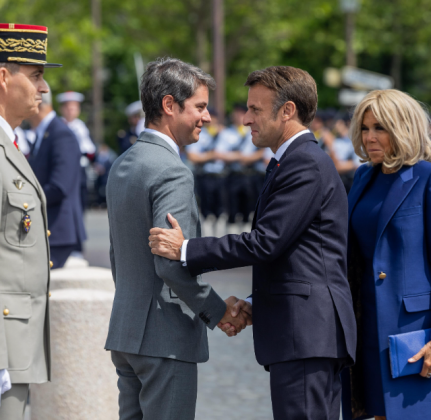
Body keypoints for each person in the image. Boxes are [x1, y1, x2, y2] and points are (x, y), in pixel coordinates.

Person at [149, 66, 357, 420]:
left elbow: (265, 243)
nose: (246, 119)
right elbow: (297, 257)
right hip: (302, 333)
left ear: (287, 110)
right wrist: (251, 303)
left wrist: (186, 249)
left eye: (256, 109)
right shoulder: (292, 161)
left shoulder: (304, 163)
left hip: (306, 336)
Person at [105, 58, 251, 420]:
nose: (207, 117)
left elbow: (117, 254)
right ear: (169, 105)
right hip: (165, 339)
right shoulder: (172, 172)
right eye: (199, 107)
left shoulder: (123, 163)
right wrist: (218, 312)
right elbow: (169, 265)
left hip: (127, 333)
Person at [342, 89, 431, 420]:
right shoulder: (364, 175)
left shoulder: (426, 176)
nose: (370, 138)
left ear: (403, 128)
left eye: (380, 128)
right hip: (365, 324)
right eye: (365, 129)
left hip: (413, 329)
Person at [0, 23, 60, 420]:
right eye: (35, 76)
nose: (43, 88)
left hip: (18, 340)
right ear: (4, 77)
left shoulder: (11, 146)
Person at [27, 88, 86, 269]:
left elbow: (59, 186)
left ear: (38, 102)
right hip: (48, 229)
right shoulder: (46, 132)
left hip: (57, 232)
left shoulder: (61, 134)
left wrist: (24, 200)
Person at [57, 91, 96, 213]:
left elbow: (90, 151)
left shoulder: (81, 127)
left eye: (74, 108)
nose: (71, 111)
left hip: (79, 169)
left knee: (80, 203)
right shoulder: (58, 125)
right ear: (62, 109)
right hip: (62, 168)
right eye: (68, 108)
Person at [186, 108, 226, 224]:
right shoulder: (200, 134)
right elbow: (192, 157)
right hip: (205, 176)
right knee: (206, 212)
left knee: (222, 213)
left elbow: (239, 155)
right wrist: (211, 155)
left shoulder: (224, 134)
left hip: (221, 176)